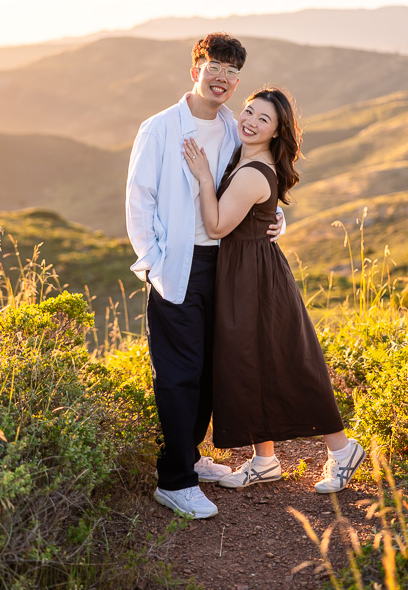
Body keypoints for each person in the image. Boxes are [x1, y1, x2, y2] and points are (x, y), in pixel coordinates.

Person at [126, 33, 283, 520]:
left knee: (212, 368)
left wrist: (277, 219)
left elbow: (255, 180)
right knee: (179, 373)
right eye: (214, 67)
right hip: (178, 264)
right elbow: (139, 200)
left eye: (232, 72)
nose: (222, 78)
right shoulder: (160, 129)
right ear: (196, 69)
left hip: (227, 265)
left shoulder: (237, 128)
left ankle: (190, 455)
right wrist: (153, 260)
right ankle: (175, 481)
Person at [183, 87, 366, 494]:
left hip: (257, 278)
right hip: (245, 272)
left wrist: (203, 176)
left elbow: (217, 226)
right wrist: (276, 213)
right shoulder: (244, 156)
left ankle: (342, 450)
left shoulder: (252, 170)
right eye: (248, 111)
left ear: (277, 132)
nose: (249, 121)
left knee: (290, 361)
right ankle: (264, 460)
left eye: (263, 119)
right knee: (249, 362)